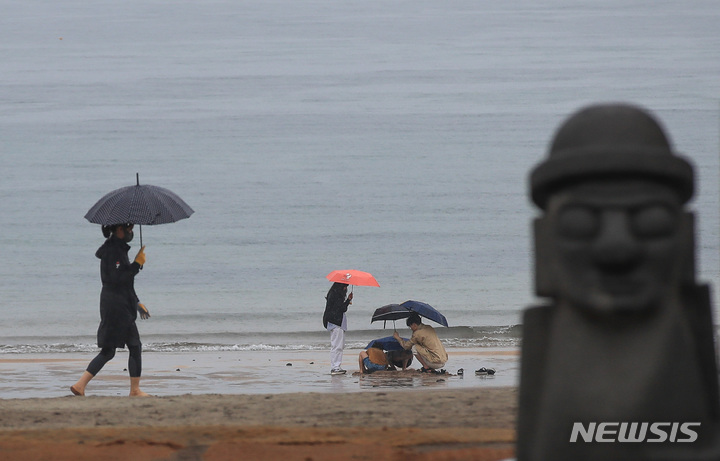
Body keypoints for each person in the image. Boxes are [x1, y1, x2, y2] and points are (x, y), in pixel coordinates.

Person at [71, 223, 150, 397]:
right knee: (135, 347)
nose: (131, 230)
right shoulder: (114, 251)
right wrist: (137, 264)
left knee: (109, 351)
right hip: (117, 307)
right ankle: (135, 390)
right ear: (119, 229)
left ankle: (80, 385)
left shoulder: (116, 249)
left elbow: (124, 282)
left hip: (114, 304)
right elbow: (117, 279)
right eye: (129, 227)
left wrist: (137, 303)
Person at [322, 282, 353, 375]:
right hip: (336, 322)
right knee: (337, 345)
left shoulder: (332, 294)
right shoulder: (337, 295)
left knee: (336, 345)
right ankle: (336, 367)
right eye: (344, 287)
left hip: (332, 322)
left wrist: (347, 300)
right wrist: (348, 300)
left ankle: (335, 366)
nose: (345, 289)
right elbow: (342, 308)